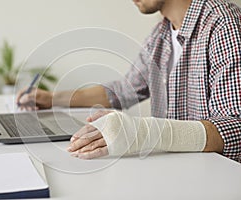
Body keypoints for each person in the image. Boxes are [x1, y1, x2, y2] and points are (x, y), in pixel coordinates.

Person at [17, 0, 241, 162]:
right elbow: (123, 90)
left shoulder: (223, 24)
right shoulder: (161, 34)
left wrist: (141, 132)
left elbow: (236, 128)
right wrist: (51, 99)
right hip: (177, 170)